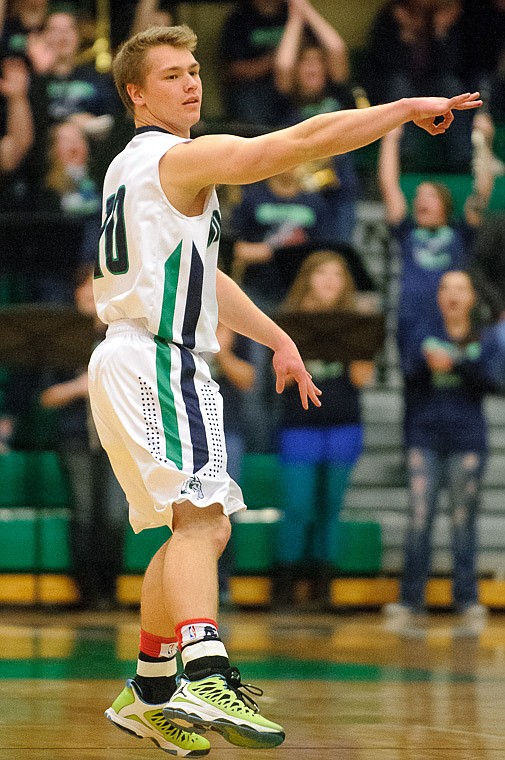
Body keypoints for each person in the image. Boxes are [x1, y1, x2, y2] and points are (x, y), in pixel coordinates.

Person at [87, 23, 481, 756]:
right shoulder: (178, 157)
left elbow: (205, 274)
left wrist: (278, 336)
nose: (191, 83)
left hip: (135, 356)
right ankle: (201, 668)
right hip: (156, 360)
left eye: (195, 69)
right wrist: (396, 111)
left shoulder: (128, 170)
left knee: (196, 527)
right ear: (136, 94)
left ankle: (147, 688)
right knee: (202, 524)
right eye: (171, 75)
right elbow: (294, 145)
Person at [384, 270, 495, 623]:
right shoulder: (421, 332)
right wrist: (424, 365)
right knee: (419, 516)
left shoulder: (485, 336)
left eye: (461, 288)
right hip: (424, 435)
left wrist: (458, 365)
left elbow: (494, 381)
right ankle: (410, 598)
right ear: (438, 296)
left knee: (464, 519)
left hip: (467, 438)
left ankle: (467, 598)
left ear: (472, 297)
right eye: (446, 287)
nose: (453, 294)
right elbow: (407, 373)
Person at [273, 251, 375, 611]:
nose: (330, 280)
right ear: (308, 279)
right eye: (322, 273)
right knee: (298, 506)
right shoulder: (287, 325)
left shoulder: (357, 323)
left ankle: (323, 588)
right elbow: (279, 382)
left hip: (343, 422)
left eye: (338, 274)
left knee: (331, 508)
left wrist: (359, 343)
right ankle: (284, 586)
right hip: (299, 424)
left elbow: (363, 379)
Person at [40, 266, 128, 610]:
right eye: (85, 291)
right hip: (77, 435)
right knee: (84, 512)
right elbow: (46, 396)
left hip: (117, 437)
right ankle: (86, 591)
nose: (91, 298)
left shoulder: (124, 334)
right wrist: (83, 387)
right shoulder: (62, 339)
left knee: (114, 514)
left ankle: (110, 589)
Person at [378, 122, 493, 374]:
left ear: (445, 203)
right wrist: (390, 138)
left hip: (452, 318)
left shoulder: (460, 233)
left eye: (429, 196)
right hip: (410, 317)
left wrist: (484, 141)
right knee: (412, 380)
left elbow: (482, 191)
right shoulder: (407, 231)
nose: (420, 200)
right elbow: (389, 185)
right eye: (418, 196)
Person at [274, 0, 359, 245]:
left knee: (337, 250)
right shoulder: (288, 101)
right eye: (305, 62)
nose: (312, 67)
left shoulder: (338, 94)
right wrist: (294, 19)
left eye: (317, 62)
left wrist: (305, 8)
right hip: (299, 192)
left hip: (339, 190)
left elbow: (337, 49)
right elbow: (283, 64)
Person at [219, 0, 289, 126]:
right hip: (253, 90)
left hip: (292, 88)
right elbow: (234, 70)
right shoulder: (239, 18)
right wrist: (275, 61)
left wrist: (300, 10)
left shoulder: (289, 14)